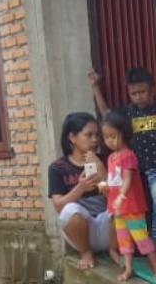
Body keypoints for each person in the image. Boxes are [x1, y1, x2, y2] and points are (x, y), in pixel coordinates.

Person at [89, 67, 156, 263]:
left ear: (151, 91)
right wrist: (95, 87)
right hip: (150, 169)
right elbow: (106, 114)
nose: (138, 97)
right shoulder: (128, 113)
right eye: (133, 93)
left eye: (142, 92)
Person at [102, 111, 156, 282]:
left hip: (132, 206)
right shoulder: (110, 158)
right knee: (123, 241)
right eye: (106, 137)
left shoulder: (128, 156)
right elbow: (114, 180)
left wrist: (121, 195)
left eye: (113, 136)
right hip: (118, 208)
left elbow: (128, 179)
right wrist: (107, 189)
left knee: (141, 238)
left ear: (124, 134)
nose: (109, 140)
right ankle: (129, 268)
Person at [48, 112, 115, 270]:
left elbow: (116, 196)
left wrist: (101, 170)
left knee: (122, 206)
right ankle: (86, 253)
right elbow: (58, 207)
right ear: (72, 137)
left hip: (109, 230)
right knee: (70, 210)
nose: (95, 140)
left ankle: (115, 250)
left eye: (97, 135)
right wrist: (80, 188)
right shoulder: (58, 168)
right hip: (82, 234)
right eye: (89, 135)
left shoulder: (107, 159)